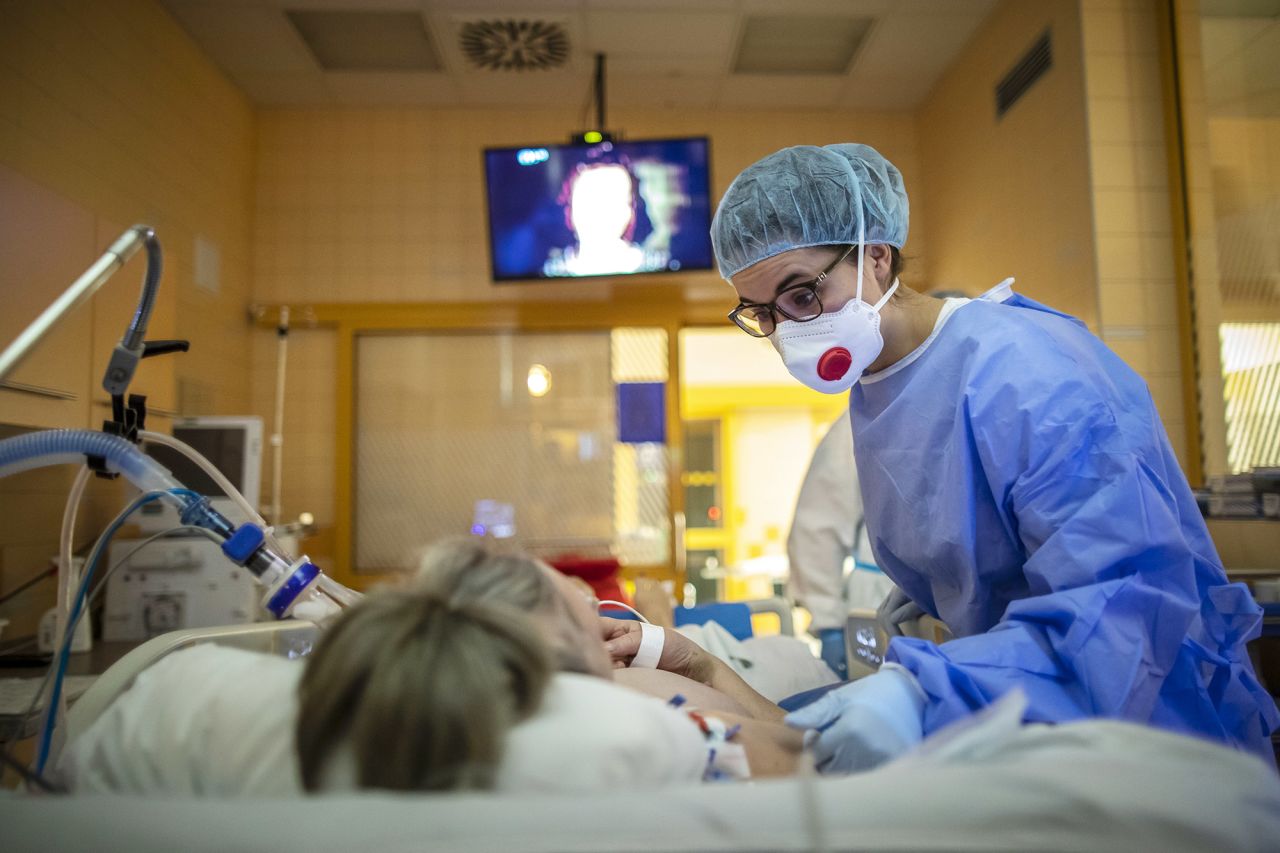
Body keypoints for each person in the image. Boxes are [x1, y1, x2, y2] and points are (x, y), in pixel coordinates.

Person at [710, 142, 1279, 773]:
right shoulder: (882, 389)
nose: (789, 330)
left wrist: (928, 689)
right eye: (764, 314)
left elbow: (1127, 609)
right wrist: (941, 595)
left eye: (802, 295)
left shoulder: (1024, 372)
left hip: (1148, 740)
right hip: (1031, 723)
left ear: (875, 254)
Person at [295, 539, 800, 791]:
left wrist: (700, 664)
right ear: (563, 639)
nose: (596, 608)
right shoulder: (662, 728)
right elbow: (828, 756)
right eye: (583, 606)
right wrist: (708, 670)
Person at [786, 409, 891, 678]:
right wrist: (829, 623)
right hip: (877, 604)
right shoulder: (861, 421)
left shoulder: (974, 404)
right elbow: (817, 530)